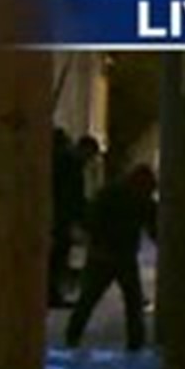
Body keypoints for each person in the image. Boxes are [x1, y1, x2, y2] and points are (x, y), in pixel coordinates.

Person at [65, 164, 158, 352]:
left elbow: (91, 219)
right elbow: (153, 227)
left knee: (92, 298)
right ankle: (134, 342)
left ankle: (73, 336)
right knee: (126, 300)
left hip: (109, 254)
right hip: (114, 254)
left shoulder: (115, 194)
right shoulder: (128, 197)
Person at [49, 129, 90, 308]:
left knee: (55, 259)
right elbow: (72, 196)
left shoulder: (60, 160)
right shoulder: (71, 164)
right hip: (60, 219)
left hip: (57, 218)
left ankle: (52, 294)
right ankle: (53, 295)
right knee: (57, 259)